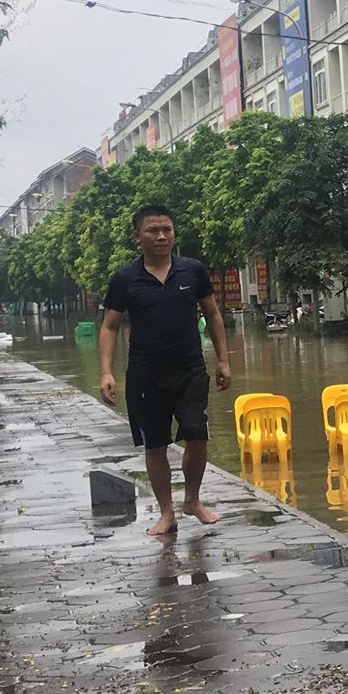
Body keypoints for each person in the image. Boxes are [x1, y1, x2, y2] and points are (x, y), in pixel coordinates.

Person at [98, 204, 233, 537]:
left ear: (173, 233)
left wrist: (223, 360)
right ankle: (167, 512)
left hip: (189, 368)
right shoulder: (125, 278)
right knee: (155, 445)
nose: (161, 236)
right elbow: (110, 326)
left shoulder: (193, 271)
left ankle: (192, 500)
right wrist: (106, 372)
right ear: (137, 236)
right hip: (145, 372)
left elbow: (213, 314)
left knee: (197, 435)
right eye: (152, 230)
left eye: (167, 230)